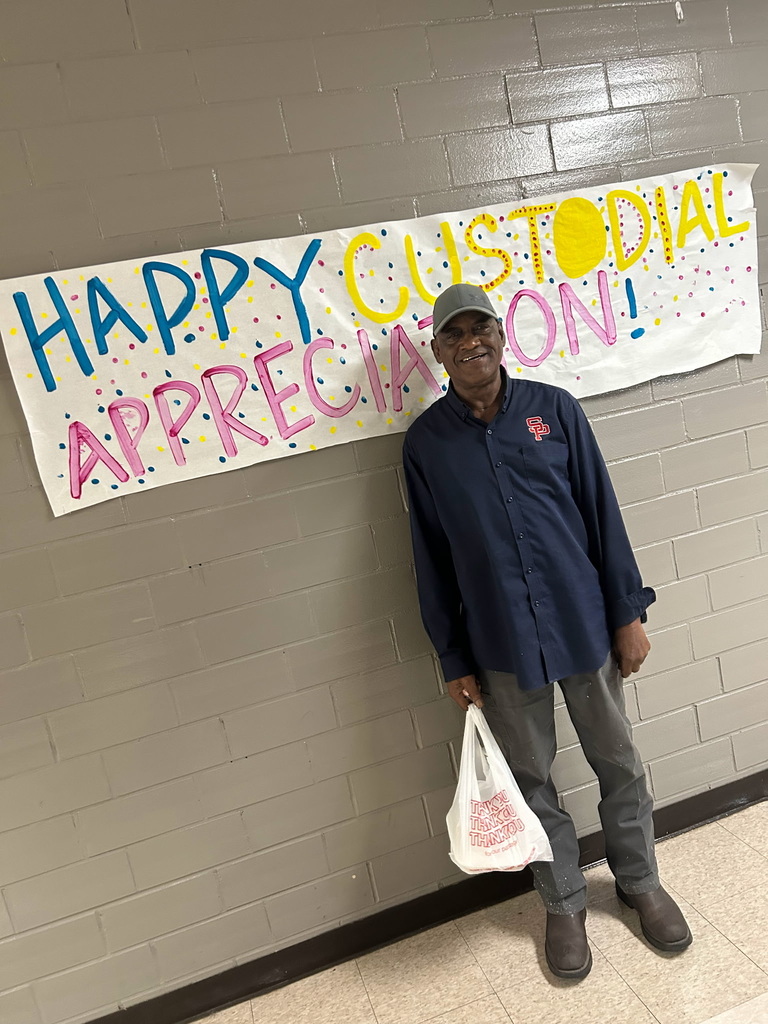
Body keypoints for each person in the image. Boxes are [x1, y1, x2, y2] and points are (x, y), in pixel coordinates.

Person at [402, 283, 692, 979]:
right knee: (531, 780)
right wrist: (453, 655)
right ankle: (562, 901)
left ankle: (639, 883)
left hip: (583, 623)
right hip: (498, 642)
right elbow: (429, 556)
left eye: (482, 328)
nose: (471, 341)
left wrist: (626, 612)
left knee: (617, 760)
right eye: (454, 334)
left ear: (502, 337)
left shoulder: (554, 411)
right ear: (438, 352)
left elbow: (601, 512)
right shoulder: (426, 445)